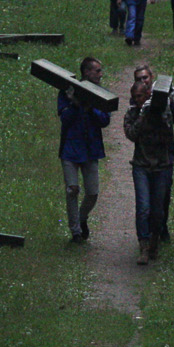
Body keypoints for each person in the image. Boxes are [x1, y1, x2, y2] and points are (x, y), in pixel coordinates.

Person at [124, 65, 174, 264]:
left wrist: (165, 107)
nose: (139, 100)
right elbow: (131, 135)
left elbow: (170, 132)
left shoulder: (160, 110)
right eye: (136, 97)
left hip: (161, 166)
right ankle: (144, 246)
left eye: (142, 96)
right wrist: (142, 115)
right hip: (141, 165)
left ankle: (155, 241)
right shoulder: (132, 114)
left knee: (158, 209)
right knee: (143, 207)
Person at [59, 56, 110, 242]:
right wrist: (75, 104)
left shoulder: (100, 93)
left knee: (92, 192)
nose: (100, 74)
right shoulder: (67, 91)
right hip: (70, 149)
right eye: (97, 71)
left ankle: (82, 218)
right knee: (72, 189)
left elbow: (105, 120)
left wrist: (90, 108)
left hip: (90, 149)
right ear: (86, 72)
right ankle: (76, 231)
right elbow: (64, 119)